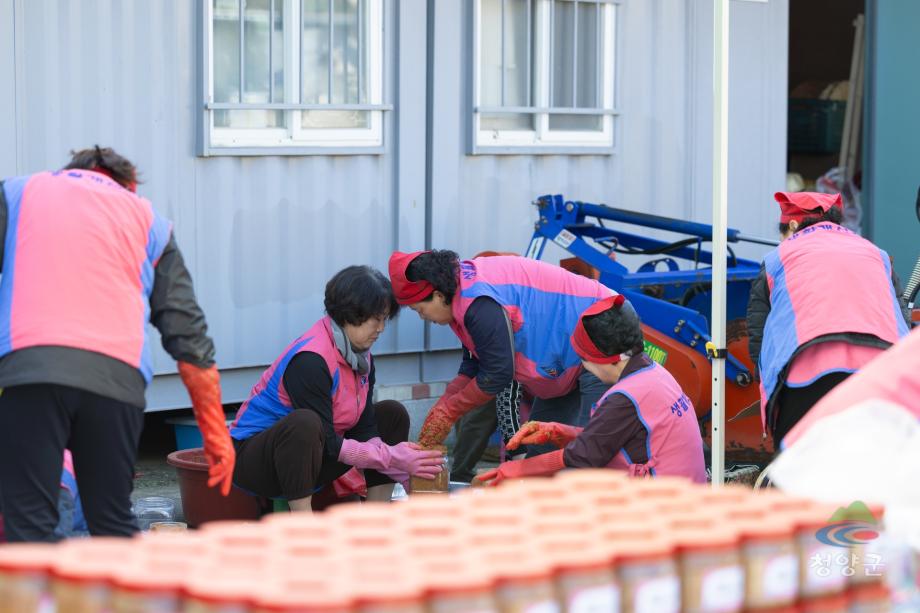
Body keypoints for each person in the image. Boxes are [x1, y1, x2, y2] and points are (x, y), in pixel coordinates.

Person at [0, 146, 233, 542]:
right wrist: (215, 434)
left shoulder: (19, 193)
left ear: (68, 172)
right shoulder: (148, 219)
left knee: (30, 528)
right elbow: (188, 335)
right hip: (116, 383)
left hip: (32, 372)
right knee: (111, 523)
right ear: (128, 186)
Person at [230, 266, 444, 511]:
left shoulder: (360, 356)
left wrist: (403, 470)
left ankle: (375, 520)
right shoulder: (310, 360)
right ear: (350, 314)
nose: (382, 328)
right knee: (305, 424)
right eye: (377, 318)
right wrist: (392, 457)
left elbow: (365, 428)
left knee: (391, 415)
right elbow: (328, 442)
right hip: (258, 462)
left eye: (385, 319)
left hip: (317, 455)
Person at [388, 250, 612, 456]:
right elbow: (472, 366)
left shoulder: (477, 303)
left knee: (588, 450)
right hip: (565, 356)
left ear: (437, 295)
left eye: (420, 310)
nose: (423, 318)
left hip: (601, 331)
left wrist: (450, 411)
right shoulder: (463, 296)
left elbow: (497, 373)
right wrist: (443, 406)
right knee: (540, 451)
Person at [478, 295, 707, 485]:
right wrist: (560, 432)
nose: (583, 367)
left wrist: (515, 470)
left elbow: (584, 456)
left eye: (584, 360)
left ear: (606, 358)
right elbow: (607, 437)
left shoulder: (626, 398)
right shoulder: (655, 374)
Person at [746, 191, 910, 444]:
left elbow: (759, 330)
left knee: (800, 470)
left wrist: (765, 382)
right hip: (880, 374)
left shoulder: (778, 258)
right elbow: (901, 316)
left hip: (806, 374)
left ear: (791, 225)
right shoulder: (876, 253)